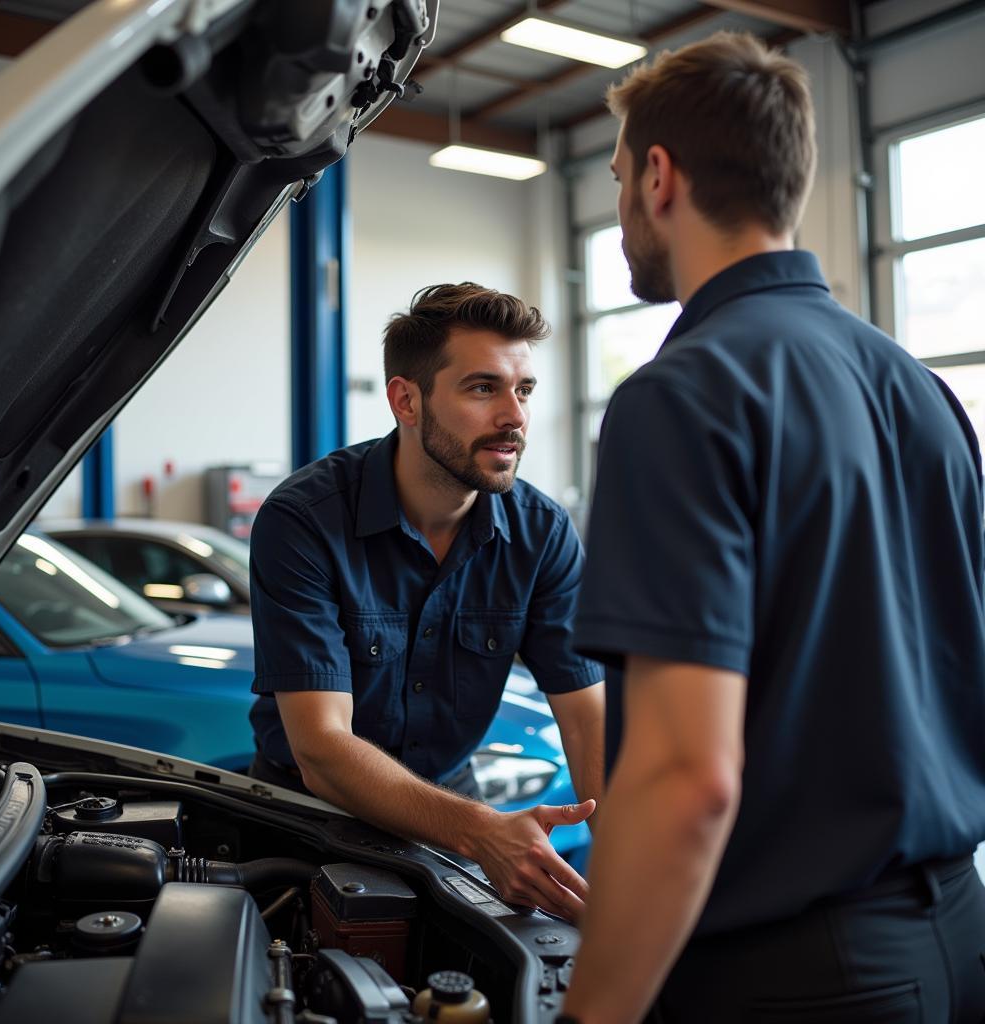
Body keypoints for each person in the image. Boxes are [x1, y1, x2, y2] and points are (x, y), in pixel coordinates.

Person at [560, 31, 985, 1023]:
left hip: (794, 976)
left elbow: (685, 777)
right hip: (959, 937)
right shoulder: (917, 388)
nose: (622, 210)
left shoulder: (682, 396)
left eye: (620, 178)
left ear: (659, 177)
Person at [247, 282, 605, 921]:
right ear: (405, 399)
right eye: (482, 387)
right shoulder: (303, 521)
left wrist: (636, 872)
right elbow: (323, 748)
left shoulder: (542, 533)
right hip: (308, 813)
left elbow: (586, 721)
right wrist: (482, 832)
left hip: (451, 798)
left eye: (523, 390)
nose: (515, 417)